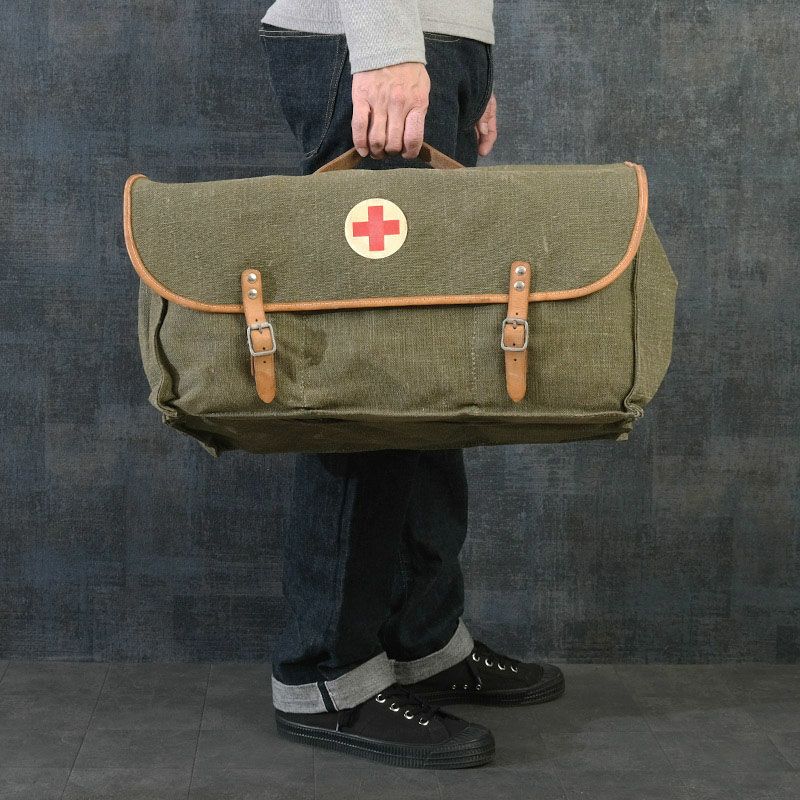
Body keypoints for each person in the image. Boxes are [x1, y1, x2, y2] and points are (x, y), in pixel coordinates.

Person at [257, 0, 565, 769]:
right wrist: (388, 44)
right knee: (371, 370)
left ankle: (421, 645)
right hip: (375, 38)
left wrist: (467, 59)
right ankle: (325, 674)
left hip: (427, 44)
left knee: (428, 362)